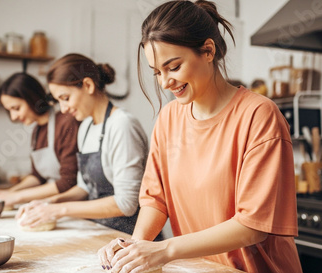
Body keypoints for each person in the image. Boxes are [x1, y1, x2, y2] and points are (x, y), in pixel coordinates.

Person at [98, 1, 302, 273]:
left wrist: (164, 249)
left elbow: (252, 226)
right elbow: (155, 201)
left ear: (208, 50)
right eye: (157, 72)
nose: (164, 82)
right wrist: (134, 247)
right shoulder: (168, 119)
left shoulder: (259, 115)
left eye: (174, 67)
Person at [15, 53, 149, 236]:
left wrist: (59, 211)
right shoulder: (86, 127)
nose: (63, 109)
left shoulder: (122, 125)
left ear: (88, 85)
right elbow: (85, 187)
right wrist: (51, 203)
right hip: (100, 231)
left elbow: (126, 204)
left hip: (130, 238)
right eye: (59, 101)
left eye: (65, 98)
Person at [0, 73, 80, 207]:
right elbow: (37, 177)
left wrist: (16, 197)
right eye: (9, 111)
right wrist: (7, 193)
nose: (13, 117)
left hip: (72, 205)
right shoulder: (37, 131)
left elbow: (68, 181)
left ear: (31, 98)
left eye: (16, 108)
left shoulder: (65, 122)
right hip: (51, 206)